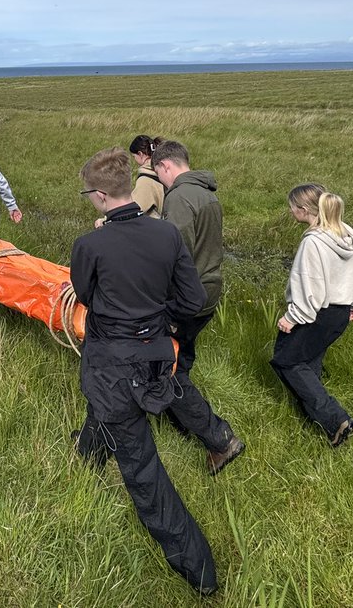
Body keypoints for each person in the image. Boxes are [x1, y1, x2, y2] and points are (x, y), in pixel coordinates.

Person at [71, 147, 218, 595]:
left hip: (111, 362)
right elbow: (193, 301)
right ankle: (86, 454)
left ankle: (199, 570)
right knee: (105, 412)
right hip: (155, 354)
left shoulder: (90, 245)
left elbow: (84, 294)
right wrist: (155, 321)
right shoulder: (166, 235)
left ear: (99, 195)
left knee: (141, 467)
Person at [151, 141, 242, 467]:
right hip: (209, 291)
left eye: (157, 173)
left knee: (168, 371)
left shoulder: (179, 198)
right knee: (182, 358)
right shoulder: (207, 192)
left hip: (185, 297)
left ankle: (220, 439)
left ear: (164, 167)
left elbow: (173, 253)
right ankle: (179, 419)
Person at [271, 184, 353, 447]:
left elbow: (309, 286)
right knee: (310, 361)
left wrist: (292, 317)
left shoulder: (313, 241)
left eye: (292, 208)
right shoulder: (344, 232)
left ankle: (335, 419)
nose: (290, 213)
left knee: (286, 361)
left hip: (317, 312)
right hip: (339, 312)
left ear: (304, 210)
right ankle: (317, 422)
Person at [129, 134, 165, 219]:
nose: (134, 160)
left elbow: (134, 209)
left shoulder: (146, 180)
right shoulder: (163, 170)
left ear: (140, 154)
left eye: (134, 157)